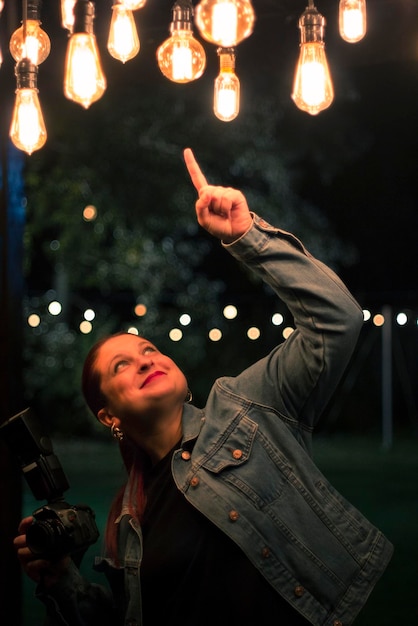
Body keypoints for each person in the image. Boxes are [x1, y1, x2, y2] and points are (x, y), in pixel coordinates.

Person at [14, 147, 393, 626]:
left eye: (149, 349)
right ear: (108, 415)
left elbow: (337, 321)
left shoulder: (249, 406)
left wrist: (246, 236)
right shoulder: (125, 518)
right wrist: (61, 580)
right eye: (122, 365)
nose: (145, 358)